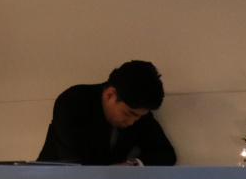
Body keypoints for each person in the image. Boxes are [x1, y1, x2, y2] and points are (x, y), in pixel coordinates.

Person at [38, 60, 176, 166]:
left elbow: (166, 154)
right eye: (128, 114)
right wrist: (113, 172)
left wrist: (133, 165)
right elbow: (74, 162)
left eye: (139, 117)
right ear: (110, 95)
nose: (132, 122)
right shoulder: (74, 102)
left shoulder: (137, 111)